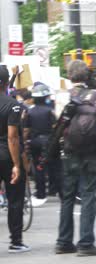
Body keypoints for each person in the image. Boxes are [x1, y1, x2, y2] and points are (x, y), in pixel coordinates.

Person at [53, 60, 96, 256]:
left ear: (69, 76)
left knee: (67, 196)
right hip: (91, 152)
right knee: (88, 195)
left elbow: (56, 120)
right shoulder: (95, 96)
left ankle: (63, 241)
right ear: (87, 76)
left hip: (68, 152)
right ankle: (85, 243)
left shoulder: (61, 96)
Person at [0, 65, 30, 253]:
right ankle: (16, 241)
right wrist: (17, 165)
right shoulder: (14, 105)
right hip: (8, 157)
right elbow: (13, 137)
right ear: (5, 83)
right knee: (15, 199)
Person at [23, 82, 58, 205]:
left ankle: (41, 193)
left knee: (39, 168)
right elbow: (55, 128)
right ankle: (56, 190)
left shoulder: (29, 112)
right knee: (54, 166)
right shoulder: (50, 111)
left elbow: (26, 130)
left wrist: (24, 143)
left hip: (35, 142)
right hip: (49, 142)